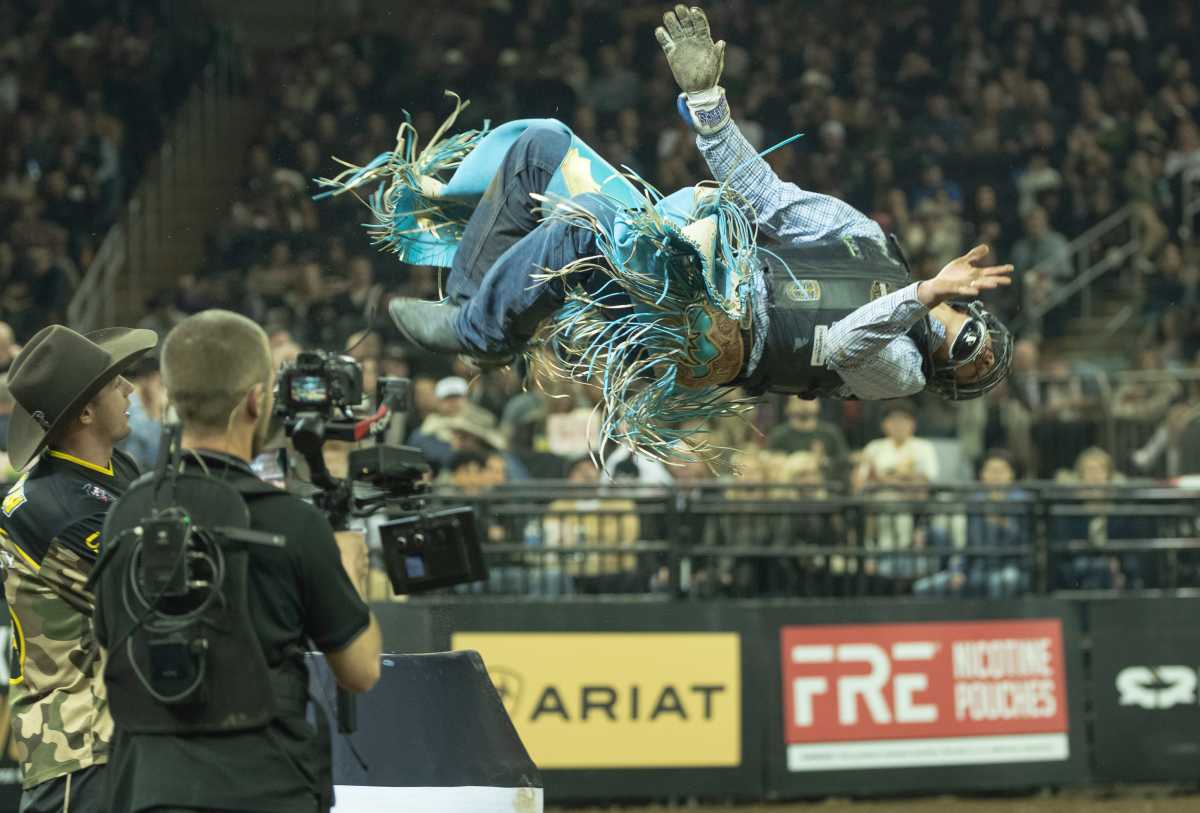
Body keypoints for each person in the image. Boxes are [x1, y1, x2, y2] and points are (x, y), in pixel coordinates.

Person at [322, 8, 1013, 464]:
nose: (953, 343)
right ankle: (478, 311)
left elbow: (838, 342)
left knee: (580, 233)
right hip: (703, 250)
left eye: (961, 360)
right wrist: (709, 103)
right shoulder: (867, 238)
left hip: (714, 324)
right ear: (969, 305)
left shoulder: (900, 371)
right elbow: (766, 195)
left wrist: (919, 295)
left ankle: (479, 332)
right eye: (967, 336)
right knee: (540, 144)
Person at [92, 310, 382, 813]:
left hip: (146, 789)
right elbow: (359, 671)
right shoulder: (292, 522)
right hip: (265, 788)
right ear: (256, 400)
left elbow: (108, 657)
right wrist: (350, 573)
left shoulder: (125, 515)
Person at [0, 323, 157, 813]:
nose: (130, 388)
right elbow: (155, 596)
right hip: (78, 746)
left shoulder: (111, 470)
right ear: (86, 411)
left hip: (110, 737)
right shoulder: (53, 509)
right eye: (115, 382)